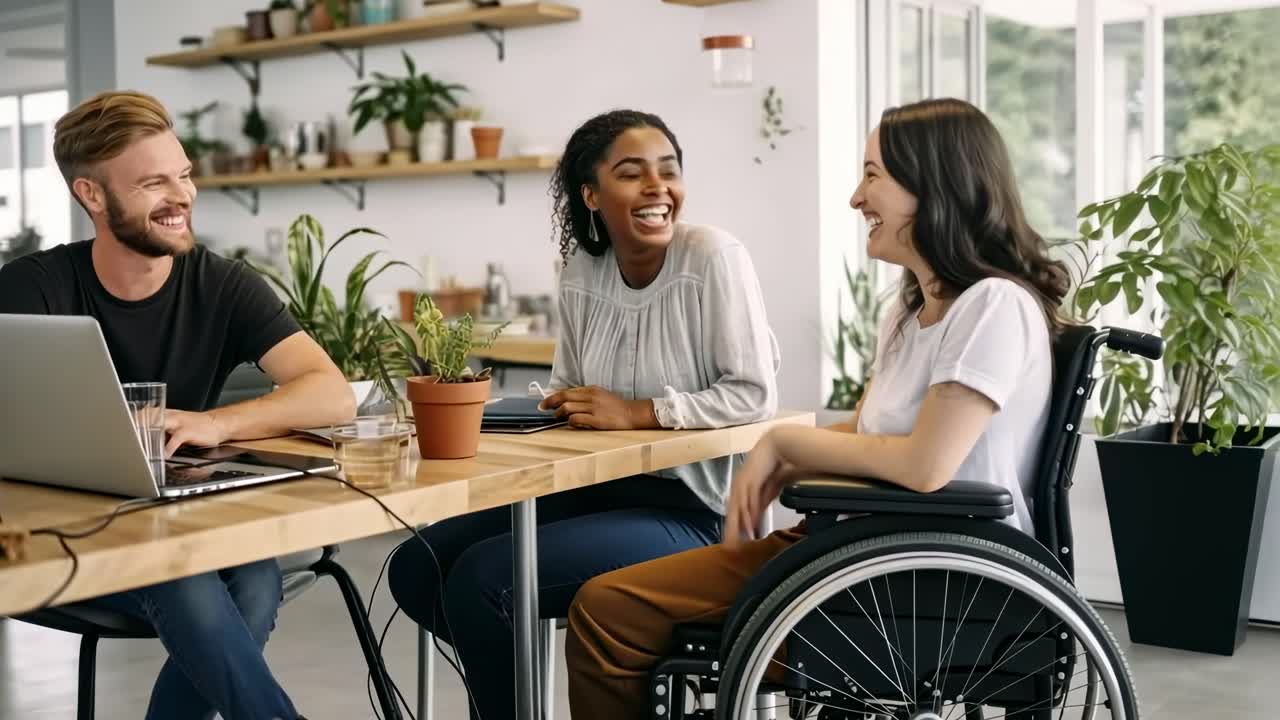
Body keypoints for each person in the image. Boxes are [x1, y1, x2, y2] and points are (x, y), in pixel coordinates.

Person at [563, 97, 1072, 718]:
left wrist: (783, 445)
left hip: (924, 583)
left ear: (932, 184)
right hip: (855, 555)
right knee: (609, 604)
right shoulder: (913, 311)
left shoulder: (993, 305)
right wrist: (783, 469)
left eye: (873, 175)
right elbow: (861, 434)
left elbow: (926, 466)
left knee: (607, 611)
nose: (857, 198)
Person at [385, 109, 780, 719]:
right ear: (591, 194)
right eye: (632, 173)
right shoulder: (582, 270)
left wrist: (638, 412)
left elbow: (754, 395)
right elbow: (571, 385)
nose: (657, 187)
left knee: (485, 582)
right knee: (417, 565)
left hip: (699, 510)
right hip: (598, 488)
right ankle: (512, 699)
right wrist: (533, 409)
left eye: (668, 171)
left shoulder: (712, 257)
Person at [0, 90, 356, 720]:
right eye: (154, 183)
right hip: (70, 534)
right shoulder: (31, 288)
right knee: (226, 577)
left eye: (185, 175)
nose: (183, 196)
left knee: (243, 574)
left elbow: (328, 391)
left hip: (181, 518)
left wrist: (211, 423)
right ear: (92, 196)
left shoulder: (223, 283)